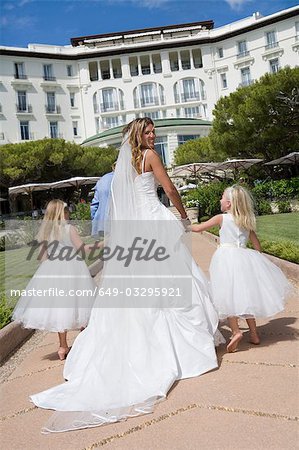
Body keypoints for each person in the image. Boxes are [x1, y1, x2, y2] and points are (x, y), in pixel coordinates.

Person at [30, 118, 221, 433]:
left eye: (153, 130)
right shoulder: (150, 155)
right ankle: (177, 342)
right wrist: (183, 215)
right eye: (148, 131)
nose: (153, 134)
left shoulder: (124, 164)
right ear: (139, 134)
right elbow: (169, 188)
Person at [192, 185, 291, 353]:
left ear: (229, 204)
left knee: (228, 296)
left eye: (222, 198)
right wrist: (252, 259)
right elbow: (258, 247)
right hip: (244, 258)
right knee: (245, 296)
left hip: (225, 259)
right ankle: (254, 335)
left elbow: (198, 228)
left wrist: (184, 224)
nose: (220, 200)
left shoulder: (221, 218)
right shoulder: (246, 221)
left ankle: (236, 332)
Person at [12, 200, 98, 360]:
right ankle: (84, 338)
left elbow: (43, 258)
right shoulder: (69, 229)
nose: (69, 214)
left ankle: (62, 346)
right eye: (67, 212)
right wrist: (101, 245)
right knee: (83, 302)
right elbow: (83, 249)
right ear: (62, 213)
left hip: (53, 270)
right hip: (73, 268)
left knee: (61, 309)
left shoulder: (44, 233)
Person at [90, 164, 115, 237]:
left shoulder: (102, 180)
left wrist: (95, 221)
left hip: (101, 222)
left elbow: (94, 204)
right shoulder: (125, 179)